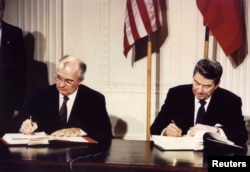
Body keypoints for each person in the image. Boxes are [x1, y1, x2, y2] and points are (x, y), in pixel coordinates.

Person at [150, 58, 248, 146]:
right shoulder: (176, 94)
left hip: (213, 157)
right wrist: (166, 131)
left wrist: (215, 131)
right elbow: (155, 128)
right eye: (196, 83)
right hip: (182, 159)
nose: (199, 90)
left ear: (216, 85)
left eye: (206, 86)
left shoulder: (230, 101)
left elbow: (242, 136)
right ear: (193, 77)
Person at [19, 55, 113, 143]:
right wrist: (26, 124)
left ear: (80, 80)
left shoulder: (94, 99)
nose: (61, 84)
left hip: (79, 156)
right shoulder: (41, 94)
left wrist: (79, 131)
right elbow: (23, 118)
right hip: (46, 155)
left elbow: (105, 135)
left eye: (68, 81)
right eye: (58, 78)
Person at [0, 0, 26, 136]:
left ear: (3, 10)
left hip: (6, 104)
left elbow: (21, 73)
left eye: (0, 9)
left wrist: (17, 105)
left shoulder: (14, 33)